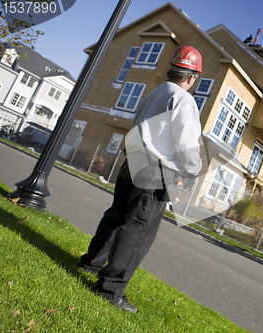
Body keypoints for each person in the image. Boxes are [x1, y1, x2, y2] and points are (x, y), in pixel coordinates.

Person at [79, 46, 203, 313]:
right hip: (155, 172)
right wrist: (193, 170)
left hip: (132, 161)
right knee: (137, 231)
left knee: (116, 216)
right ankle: (111, 289)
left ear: (172, 69)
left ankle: (91, 263)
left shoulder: (154, 93)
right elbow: (187, 145)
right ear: (192, 77)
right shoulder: (184, 100)